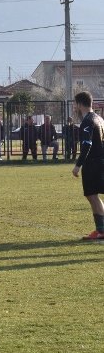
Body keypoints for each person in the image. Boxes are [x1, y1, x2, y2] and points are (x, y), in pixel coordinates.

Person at [71, 90, 104, 240]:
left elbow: (87, 144)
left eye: (75, 104)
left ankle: (101, 230)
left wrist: (78, 164)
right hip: (100, 161)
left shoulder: (87, 121)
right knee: (93, 196)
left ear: (79, 104)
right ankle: (101, 230)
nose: (74, 108)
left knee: (92, 195)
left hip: (93, 163)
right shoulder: (99, 119)